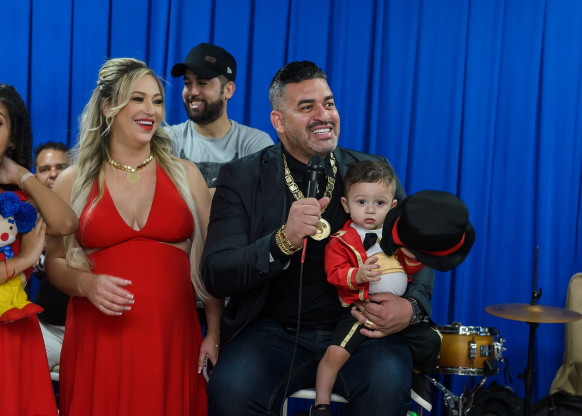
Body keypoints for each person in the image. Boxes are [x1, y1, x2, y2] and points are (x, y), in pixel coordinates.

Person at [201, 60, 435, 416]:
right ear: (278, 121)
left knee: (387, 384)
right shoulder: (242, 178)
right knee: (231, 389)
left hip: (362, 326)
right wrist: (283, 240)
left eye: (329, 104)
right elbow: (217, 272)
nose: (324, 116)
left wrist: (412, 309)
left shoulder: (374, 172)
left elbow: (418, 250)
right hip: (273, 331)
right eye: (307, 107)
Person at [44, 58, 221, 416]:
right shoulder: (72, 181)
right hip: (98, 341)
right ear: (108, 107)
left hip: (172, 339)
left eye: (157, 101)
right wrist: (85, 284)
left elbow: (213, 263)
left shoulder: (187, 176)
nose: (150, 110)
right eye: (137, 99)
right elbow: (55, 263)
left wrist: (214, 334)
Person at [316, 163, 474, 415]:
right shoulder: (340, 240)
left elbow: (410, 270)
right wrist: (357, 275)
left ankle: (418, 377)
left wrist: (413, 257)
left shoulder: (397, 236)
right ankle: (321, 404)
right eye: (361, 202)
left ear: (392, 207)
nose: (370, 210)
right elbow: (334, 273)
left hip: (397, 313)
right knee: (336, 352)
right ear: (346, 205)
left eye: (379, 203)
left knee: (433, 340)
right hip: (361, 309)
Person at [0, 83, 78, 416]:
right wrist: (26, 259)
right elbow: (28, 258)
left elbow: (66, 223)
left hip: (14, 331)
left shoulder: (20, 197)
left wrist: (22, 175)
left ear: (12, 137)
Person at [168, 42, 273, 196]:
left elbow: (264, 202)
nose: (193, 91)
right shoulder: (168, 139)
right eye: (187, 83)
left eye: (203, 83)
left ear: (228, 90)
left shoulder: (256, 145)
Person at [32, 141, 70, 373]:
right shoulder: (25, 220)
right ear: (35, 176)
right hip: (46, 329)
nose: (53, 174)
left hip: (85, 329)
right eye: (44, 169)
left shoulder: (89, 211)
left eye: (61, 167)